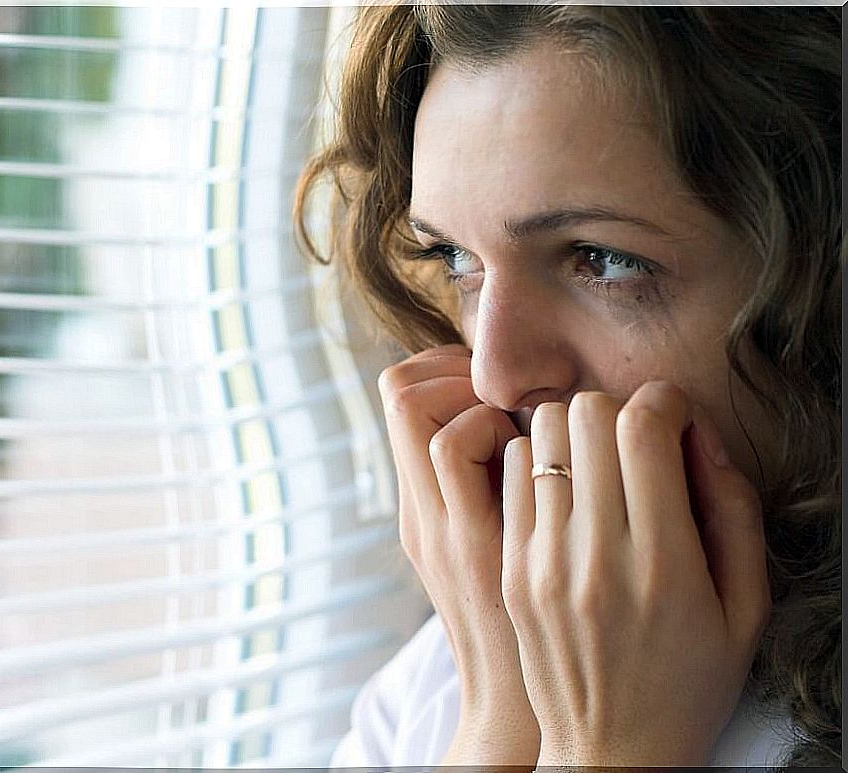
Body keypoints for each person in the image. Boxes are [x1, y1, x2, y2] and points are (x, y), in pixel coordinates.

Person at [295, 5, 841, 768]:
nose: (493, 373)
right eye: (455, 257)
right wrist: (496, 710)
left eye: (601, 258)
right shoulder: (446, 675)